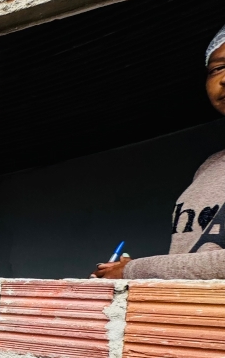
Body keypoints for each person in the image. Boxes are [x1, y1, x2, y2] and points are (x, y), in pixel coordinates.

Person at [94, 26, 225, 279]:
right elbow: (192, 258)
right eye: (217, 68)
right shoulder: (210, 165)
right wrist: (124, 272)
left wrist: (133, 271)